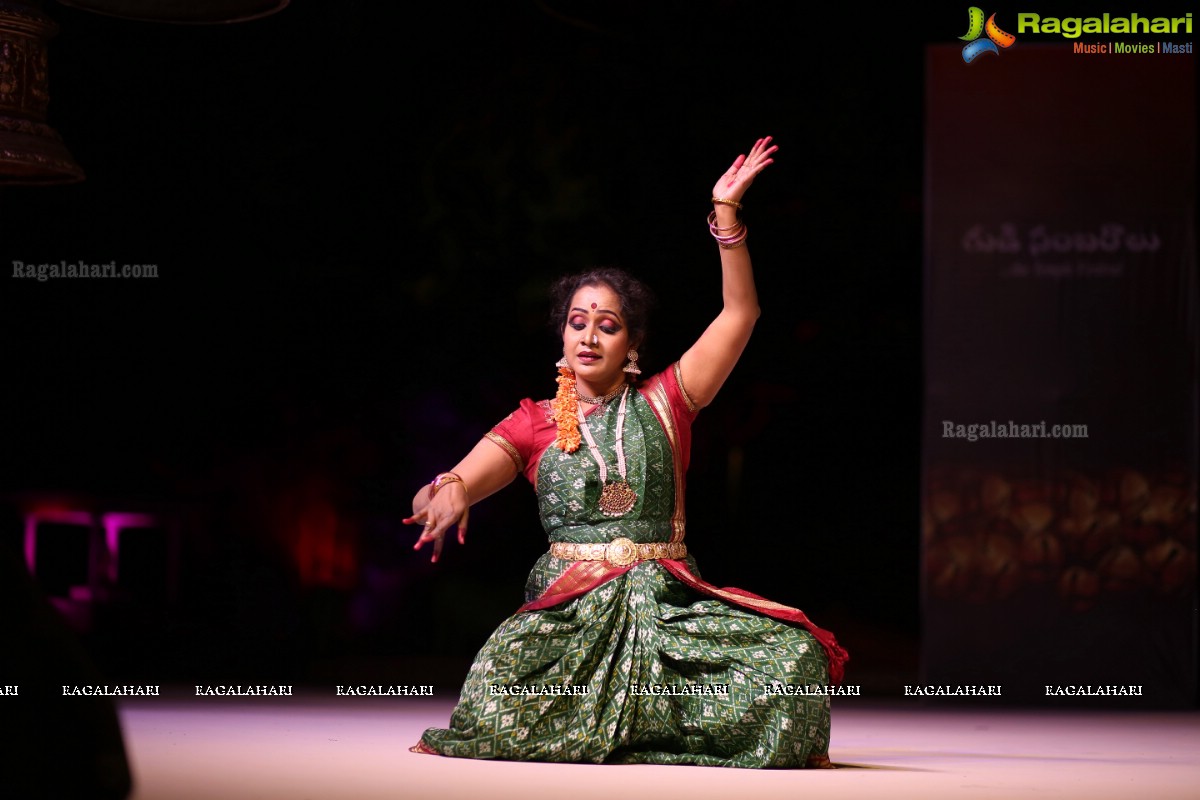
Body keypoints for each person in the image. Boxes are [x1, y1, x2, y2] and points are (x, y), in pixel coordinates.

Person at [405, 137, 847, 767]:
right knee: (494, 693)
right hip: (571, 616)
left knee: (792, 661)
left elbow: (740, 313)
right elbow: (456, 481)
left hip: (667, 609)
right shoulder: (532, 422)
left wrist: (726, 216)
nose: (589, 334)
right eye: (578, 321)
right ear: (562, 334)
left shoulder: (670, 400)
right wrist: (442, 496)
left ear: (630, 344)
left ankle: (651, 722)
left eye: (607, 324)